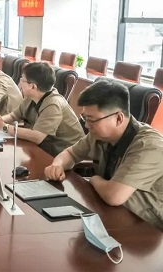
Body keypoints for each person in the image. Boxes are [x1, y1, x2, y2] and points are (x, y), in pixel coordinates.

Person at [44, 80, 163, 231]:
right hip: (112, 214)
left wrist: (94, 179)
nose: (87, 125)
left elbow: (114, 196)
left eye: (92, 119)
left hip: (149, 229)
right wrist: (57, 165)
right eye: (85, 118)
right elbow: (71, 153)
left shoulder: (148, 146)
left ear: (118, 118)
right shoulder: (100, 134)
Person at [0, 62, 84, 156]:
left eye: (22, 79)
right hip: (42, 147)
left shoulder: (53, 104)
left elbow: (37, 137)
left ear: (33, 86)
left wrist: (4, 127)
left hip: (63, 153)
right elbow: (14, 116)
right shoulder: (31, 96)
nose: (20, 82)